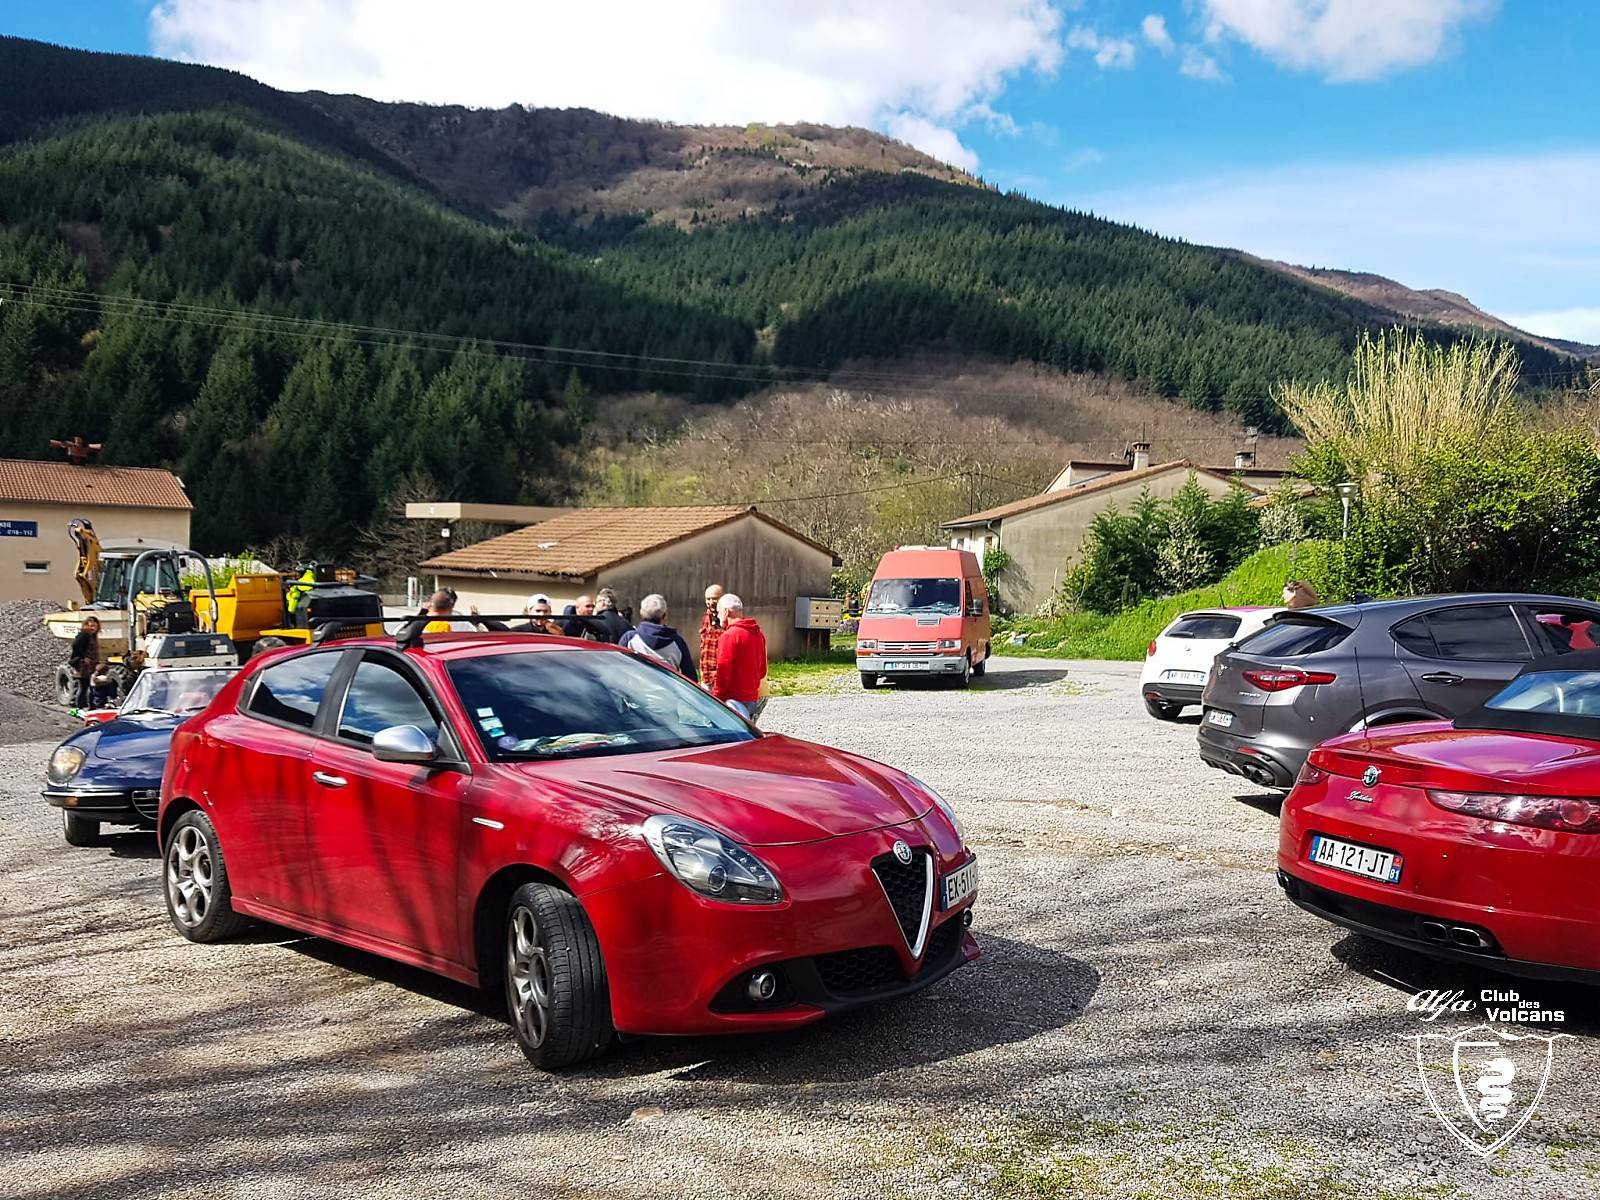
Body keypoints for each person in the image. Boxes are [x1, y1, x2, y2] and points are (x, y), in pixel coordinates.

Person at [713, 594, 768, 722]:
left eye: (719, 612)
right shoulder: (758, 635)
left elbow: (723, 671)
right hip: (752, 699)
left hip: (732, 700)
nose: (718, 616)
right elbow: (762, 671)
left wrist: (716, 696)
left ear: (726, 611)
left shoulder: (729, 636)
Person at [619, 594, 698, 682]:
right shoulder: (677, 642)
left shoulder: (629, 639)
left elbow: (618, 670)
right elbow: (691, 678)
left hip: (636, 689)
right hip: (667, 689)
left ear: (641, 614)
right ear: (664, 616)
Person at [68, 616, 110, 708]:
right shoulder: (84, 635)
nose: (92, 628)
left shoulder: (92, 636)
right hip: (83, 666)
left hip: (91, 665)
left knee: (90, 686)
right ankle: (79, 707)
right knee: (83, 687)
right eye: (91, 626)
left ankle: (91, 706)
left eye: (94, 626)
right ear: (86, 626)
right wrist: (84, 657)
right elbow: (75, 646)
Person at [699, 583, 725, 693]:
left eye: (714, 599)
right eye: (708, 599)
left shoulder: (727, 619)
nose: (711, 602)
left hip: (720, 676)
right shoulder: (707, 617)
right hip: (706, 675)